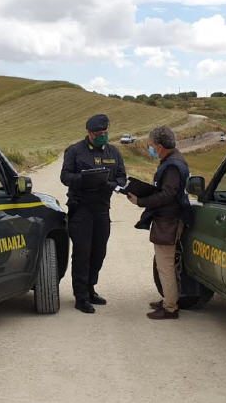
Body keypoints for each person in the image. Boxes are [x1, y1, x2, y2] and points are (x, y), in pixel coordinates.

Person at [60, 114, 127, 314]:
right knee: (82, 253)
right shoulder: (74, 151)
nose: (103, 136)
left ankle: (90, 289)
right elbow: (65, 176)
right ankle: (80, 297)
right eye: (99, 134)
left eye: (105, 133)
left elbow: (122, 177)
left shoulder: (113, 151)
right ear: (89, 133)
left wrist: (113, 184)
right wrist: (85, 179)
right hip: (81, 208)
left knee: (99, 252)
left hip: (102, 208)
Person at [128, 126, 192, 320]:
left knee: (165, 266)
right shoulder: (175, 160)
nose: (150, 149)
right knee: (164, 264)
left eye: (151, 146)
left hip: (168, 220)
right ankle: (167, 300)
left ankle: (170, 307)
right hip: (168, 219)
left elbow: (167, 194)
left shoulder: (172, 165)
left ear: (160, 146)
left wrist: (141, 201)